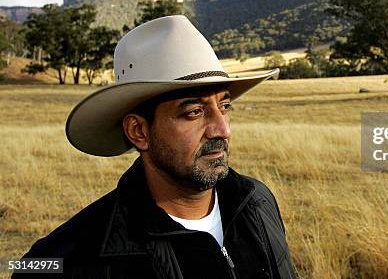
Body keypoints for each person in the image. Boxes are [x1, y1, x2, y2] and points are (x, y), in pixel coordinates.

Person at [16, 15, 297, 278]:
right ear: (139, 132)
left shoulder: (257, 201)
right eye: (194, 112)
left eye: (224, 106)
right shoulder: (66, 260)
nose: (223, 129)